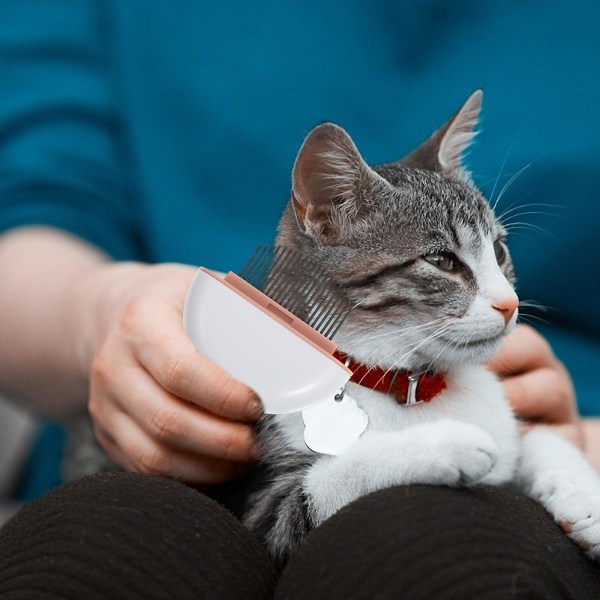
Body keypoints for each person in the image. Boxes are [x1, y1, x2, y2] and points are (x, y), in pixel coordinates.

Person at [0, 2, 599, 598]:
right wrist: (102, 310)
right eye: (447, 262)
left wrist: (575, 447)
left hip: (551, 441)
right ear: (325, 216)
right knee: (108, 551)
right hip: (159, 449)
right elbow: (42, 200)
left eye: (498, 254)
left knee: (444, 553)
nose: (505, 300)